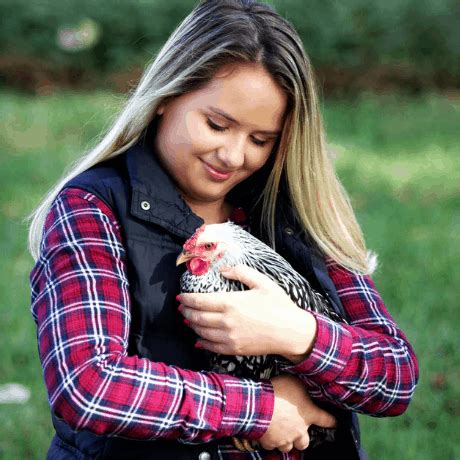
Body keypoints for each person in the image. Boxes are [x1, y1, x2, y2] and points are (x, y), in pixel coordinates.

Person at [28, 1, 419, 459]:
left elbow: (396, 377)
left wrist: (299, 334)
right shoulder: (93, 208)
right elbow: (88, 385)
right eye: (217, 124)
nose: (233, 156)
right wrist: (260, 408)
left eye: (261, 140)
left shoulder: (296, 209)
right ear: (167, 96)